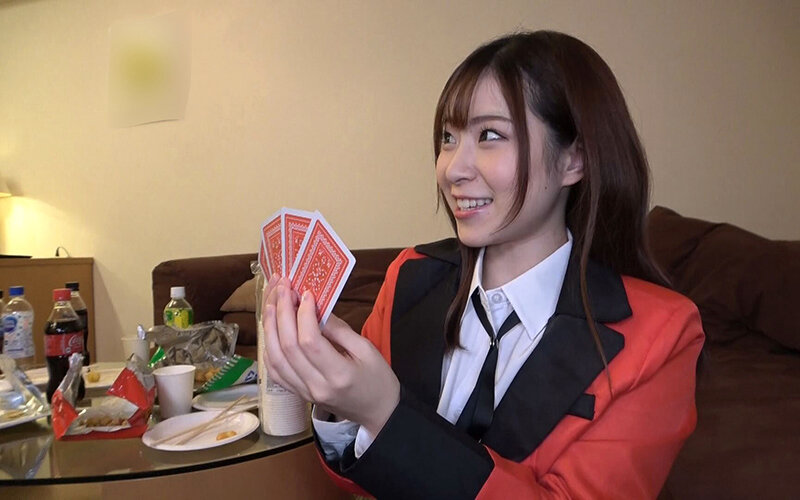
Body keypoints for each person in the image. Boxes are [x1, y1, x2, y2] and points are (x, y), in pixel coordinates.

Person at [262, 30, 704, 499]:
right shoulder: (410, 274)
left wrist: (385, 414)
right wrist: (337, 406)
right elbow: (358, 478)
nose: (453, 168)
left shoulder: (663, 335)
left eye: (490, 135)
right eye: (448, 138)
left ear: (573, 160)